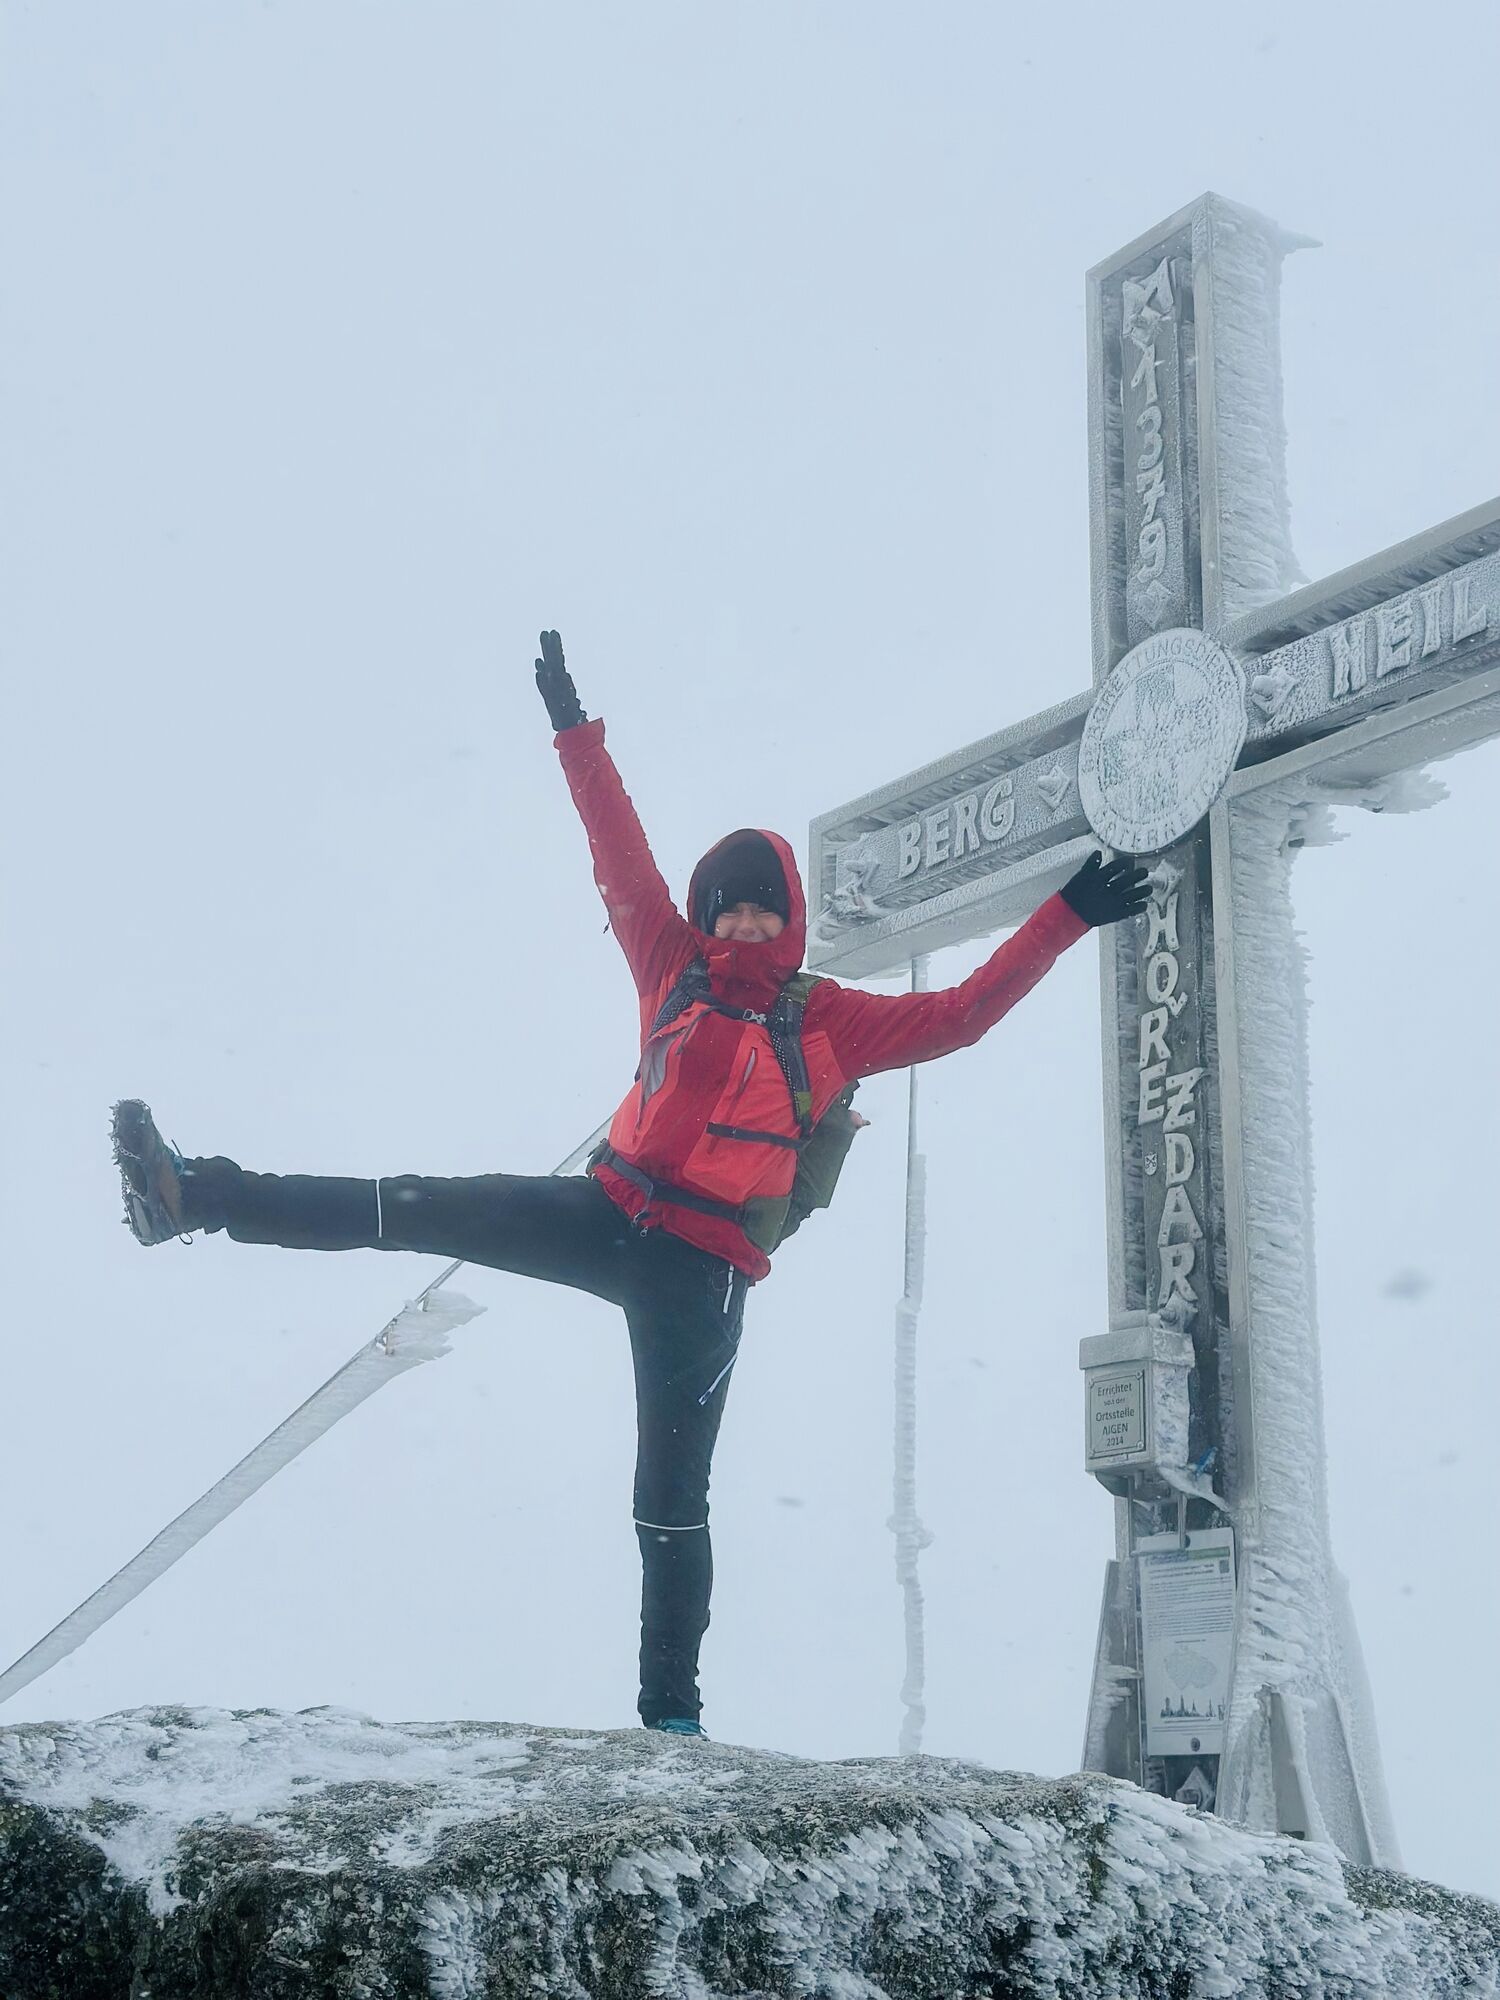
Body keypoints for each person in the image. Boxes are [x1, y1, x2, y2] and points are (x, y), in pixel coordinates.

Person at [112, 629, 1148, 1735]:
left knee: (669, 1500)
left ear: (789, 915)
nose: (742, 922)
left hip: (702, 1274)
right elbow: (618, 850)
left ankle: (672, 1721)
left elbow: (961, 1015)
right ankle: (192, 1196)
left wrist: (1066, 914)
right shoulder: (672, 963)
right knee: (405, 1205)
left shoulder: (828, 1017)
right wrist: (575, 730)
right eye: (728, 905)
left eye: (761, 907)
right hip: (604, 1209)